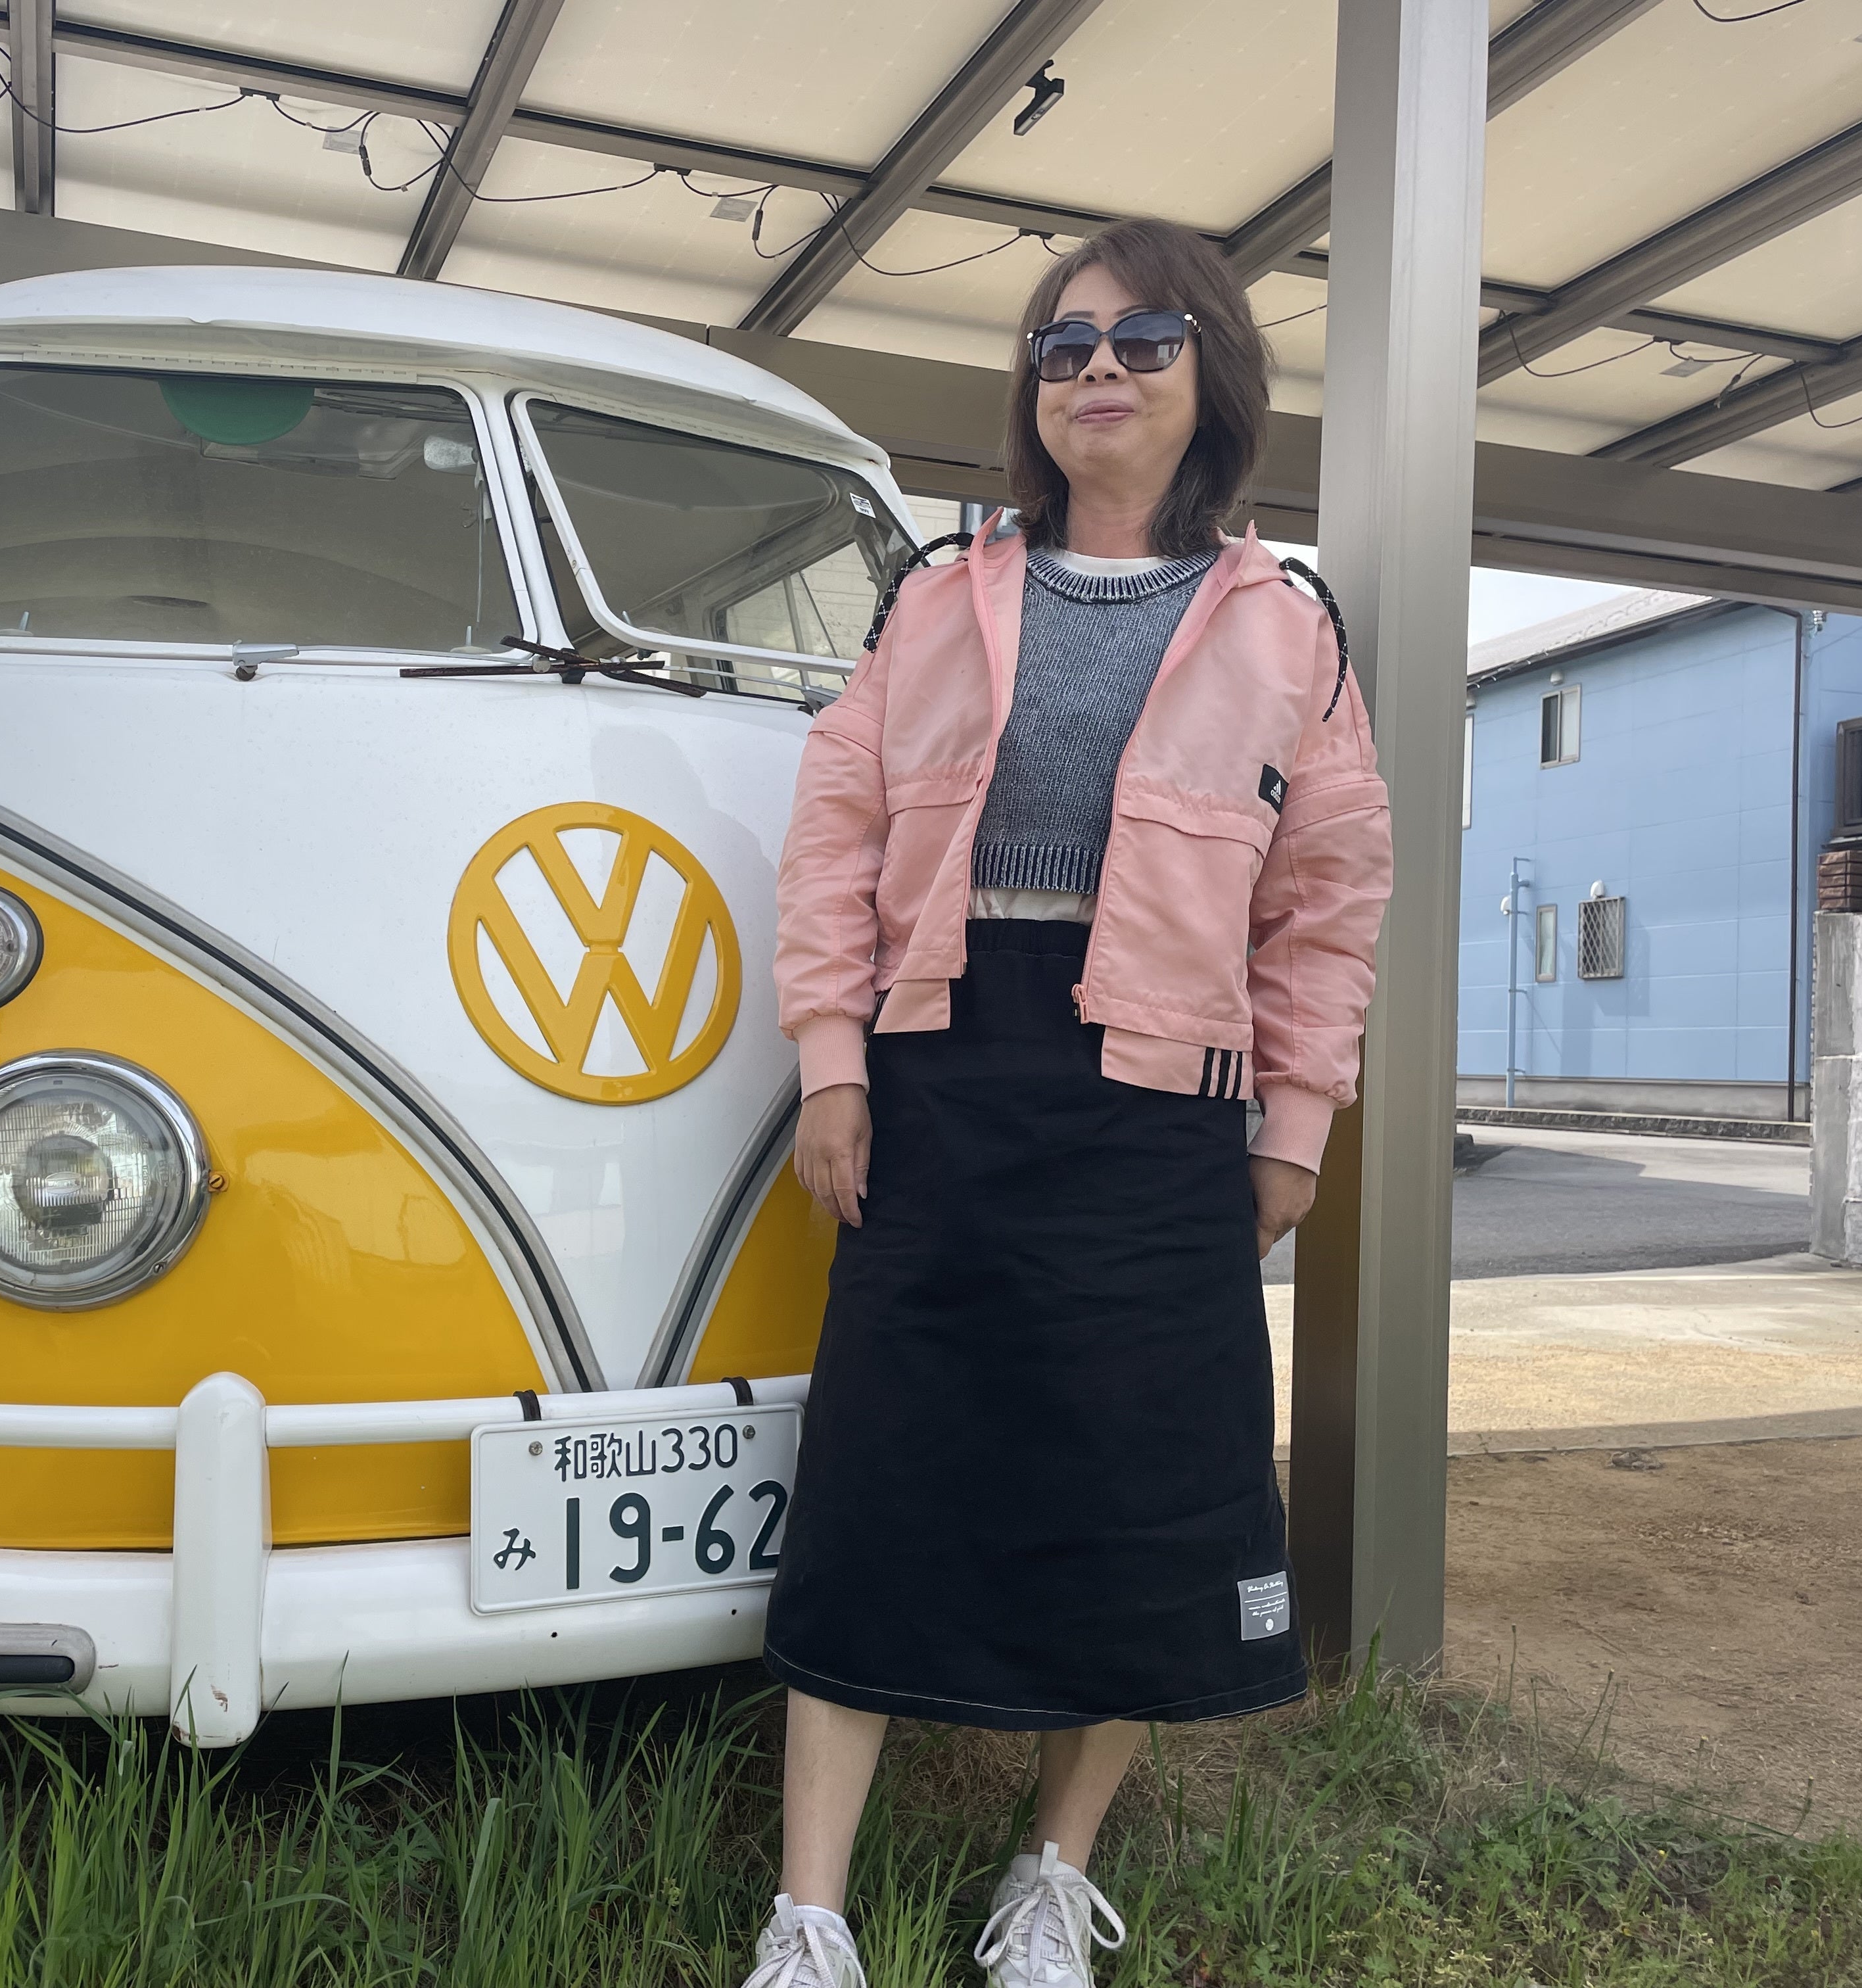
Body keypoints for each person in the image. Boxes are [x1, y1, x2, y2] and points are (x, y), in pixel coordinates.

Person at [741, 218, 1395, 1988]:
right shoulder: (933, 599)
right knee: (882, 1468)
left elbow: (1329, 901)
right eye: (1064, 343)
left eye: (1143, 338)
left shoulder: (1288, 629)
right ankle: (811, 1913)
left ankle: (1050, 1874)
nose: (1097, 367)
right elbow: (835, 840)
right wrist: (833, 1063)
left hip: (1159, 1101)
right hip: (942, 1075)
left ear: (1212, 378)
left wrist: (1293, 1128)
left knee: (1144, 1489)